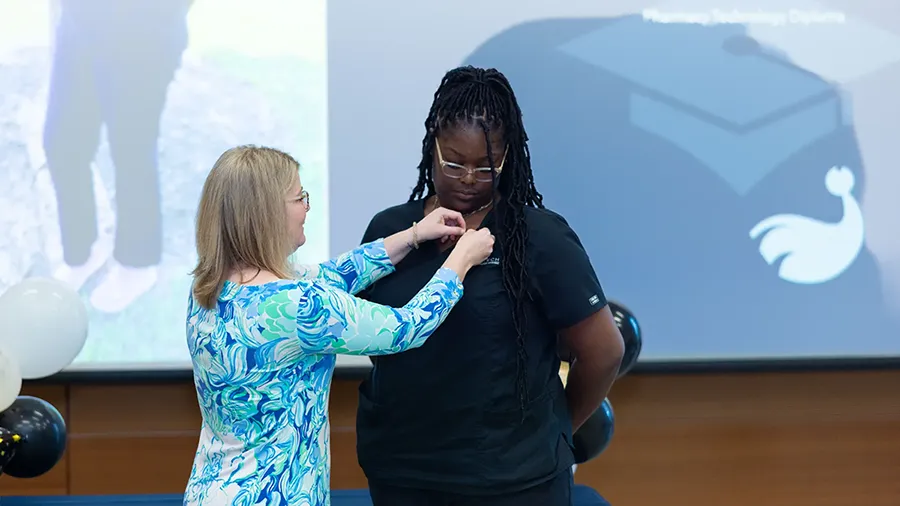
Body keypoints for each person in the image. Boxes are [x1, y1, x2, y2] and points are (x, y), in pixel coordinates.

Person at [355, 66, 626, 506]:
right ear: (433, 146)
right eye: (454, 162)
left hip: (516, 482)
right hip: (402, 471)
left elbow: (604, 351)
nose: (467, 178)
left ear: (508, 158)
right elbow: (374, 336)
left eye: (485, 167)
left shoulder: (540, 238)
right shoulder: (390, 231)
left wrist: (551, 430)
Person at [183, 145, 495, 506]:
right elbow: (405, 328)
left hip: (213, 491)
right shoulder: (300, 305)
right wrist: (461, 260)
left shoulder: (210, 286)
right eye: (299, 197)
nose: (307, 207)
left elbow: (333, 274)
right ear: (267, 214)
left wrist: (413, 235)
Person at [44, 1, 193, 312]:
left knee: (131, 148)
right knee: (62, 142)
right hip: (80, 21)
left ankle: (137, 263)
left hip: (143, 30)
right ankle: (81, 249)